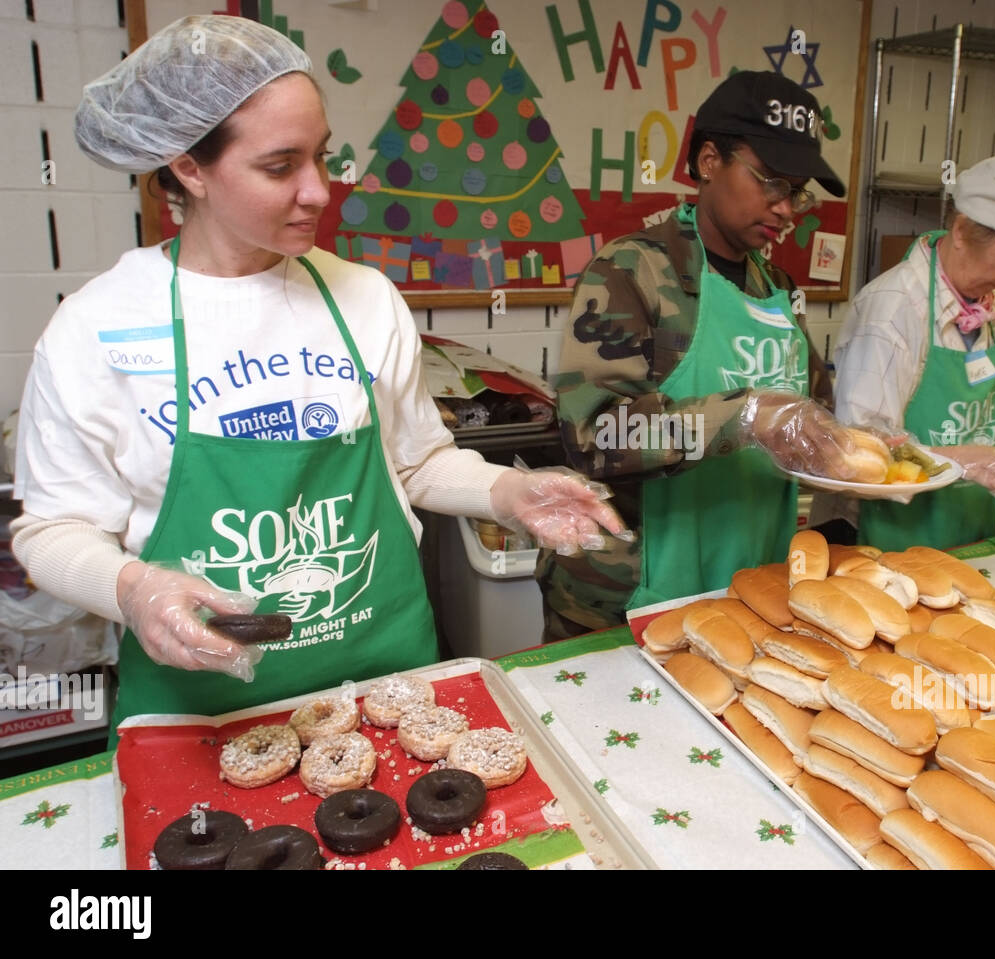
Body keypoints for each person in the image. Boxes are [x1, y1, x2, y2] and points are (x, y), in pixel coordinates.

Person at [11, 16, 626, 737]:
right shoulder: (97, 328)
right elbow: (52, 530)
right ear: (188, 167)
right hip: (203, 716)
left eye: (322, 157)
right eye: (280, 166)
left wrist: (510, 492)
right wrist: (132, 588)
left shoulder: (362, 298)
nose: (319, 191)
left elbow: (419, 461)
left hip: (385, 689)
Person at [536, 70, 862, 642]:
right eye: (772, 184)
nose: (788, 209)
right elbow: (593, 437)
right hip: (632, 593)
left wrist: (860, 445)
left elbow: (813, 411)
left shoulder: (777, 287)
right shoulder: (632, 271)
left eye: (799, 191)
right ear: (709, 160)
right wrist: (743, 416)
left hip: (751, 579)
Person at [817, 156, 995, 552]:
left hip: (970, 531)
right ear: (962, 231)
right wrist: (966, 461)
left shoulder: (991, 306)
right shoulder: (893, 308)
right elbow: (864, 451)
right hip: (891, 541)